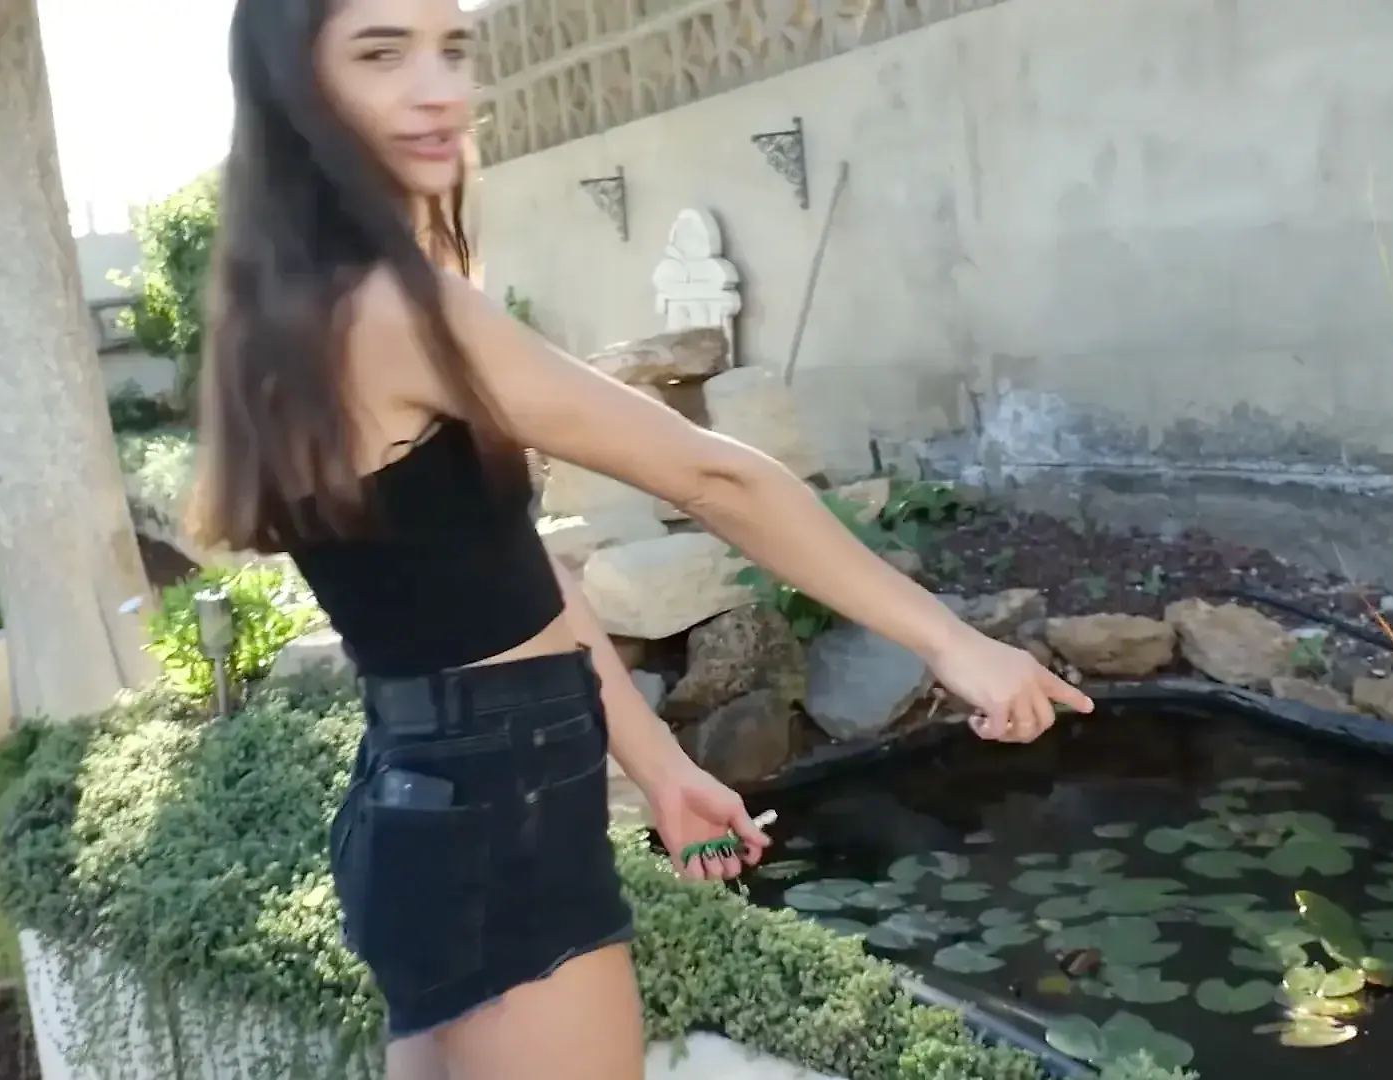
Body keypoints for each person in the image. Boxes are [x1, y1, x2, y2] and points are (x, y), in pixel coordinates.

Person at [187, 1, 1097, 1077]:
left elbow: (504, 582)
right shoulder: (393, 310)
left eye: (453, 48)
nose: (438, 89)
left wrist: (661, 765)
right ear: (296, 87)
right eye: (382, 54)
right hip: (496, 822)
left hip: (427, 798)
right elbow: (713, 475)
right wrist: (950, 641)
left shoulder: (282, 310)